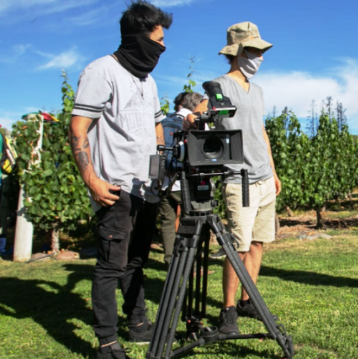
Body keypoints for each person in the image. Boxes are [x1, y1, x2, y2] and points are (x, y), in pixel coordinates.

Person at [68, 2, 172, 358]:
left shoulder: (148, 80)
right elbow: (78, 128)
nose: (163, 48)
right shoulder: (101, 72)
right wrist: (93, 182)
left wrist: (159, 163)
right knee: (111, 266)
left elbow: (157, 123)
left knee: (136, 261)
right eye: (159, 41)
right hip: (115, 187)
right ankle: (107, 342)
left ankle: (138, 323)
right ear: (140, 38)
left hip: (146, 186)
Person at [189, 21, 281, 335]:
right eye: (255, 50)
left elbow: (261, 132)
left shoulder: (257, 91)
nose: (261, 58)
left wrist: (274, 171)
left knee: (257, 244)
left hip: (264, 178)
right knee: (237, 248)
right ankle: (228, 310)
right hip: (238, 179)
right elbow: (198, 113)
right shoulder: (219, 85)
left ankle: (247, 300)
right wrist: (195, 119)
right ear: (239, 51)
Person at [158, 91, 203, 266]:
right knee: (191, 224)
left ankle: (171, 262)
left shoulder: (162, 123)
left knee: (167, 223)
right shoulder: (193, 124)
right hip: (185, 182)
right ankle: (189, 264)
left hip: (163, 182)